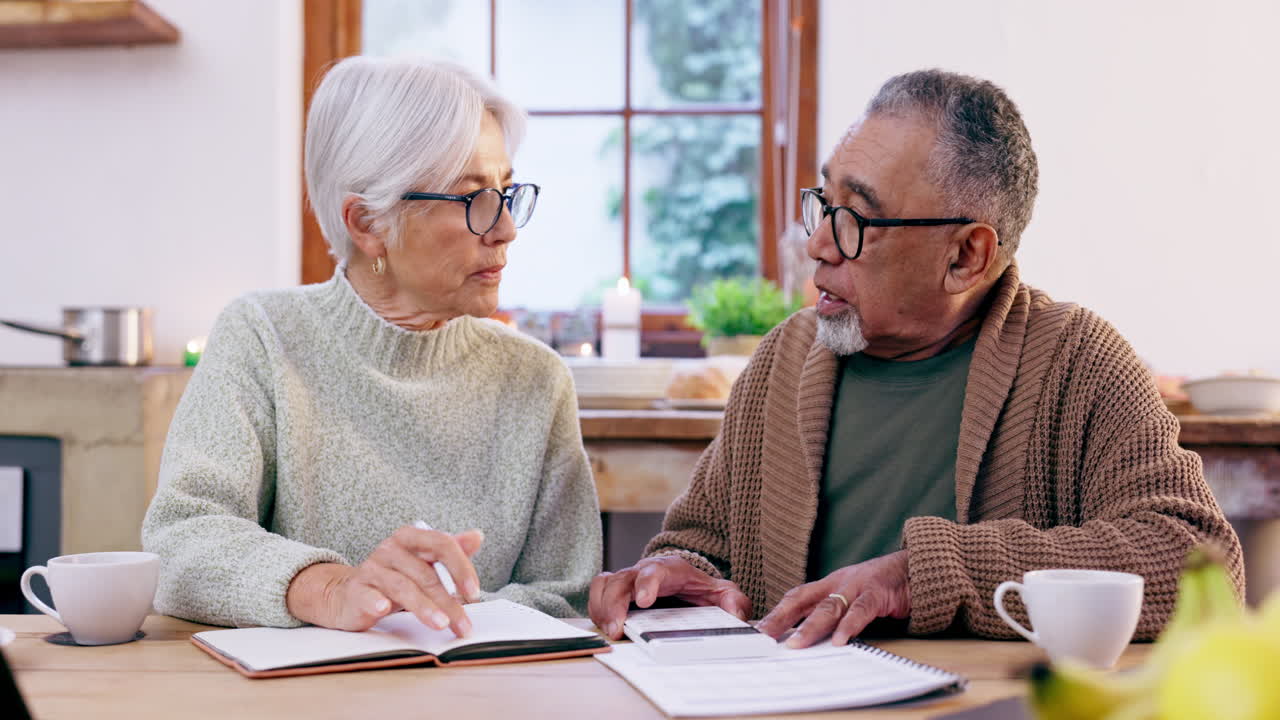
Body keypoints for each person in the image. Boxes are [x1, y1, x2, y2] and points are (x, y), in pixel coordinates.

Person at [589, 69, 1244, 647]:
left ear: (966, 256)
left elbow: (1199, 563)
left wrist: (921, 575)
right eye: (823, 203)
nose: (817, 243)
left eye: (855, 219)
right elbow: (700, 546)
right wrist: (673, 580)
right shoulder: (783, 359)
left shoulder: (1079, 363)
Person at [143, 57, 601, 635]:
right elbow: (182, 539)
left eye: (507, 191)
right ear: (367, 223)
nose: (507, 227)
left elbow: (569, 596)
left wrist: (426, 622)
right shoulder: (263, 336)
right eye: (474, 198)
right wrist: (330, 588)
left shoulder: (536, 378)